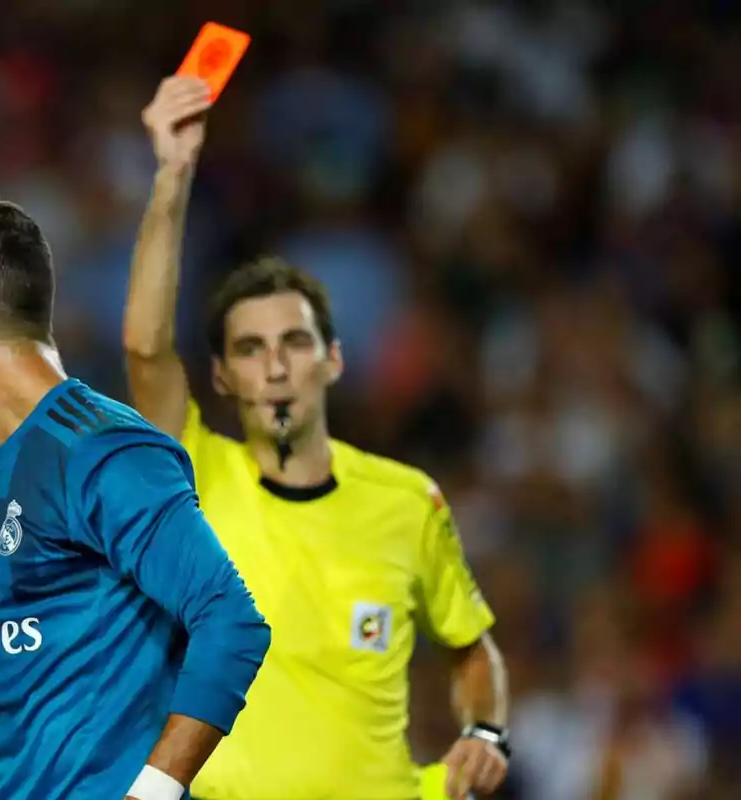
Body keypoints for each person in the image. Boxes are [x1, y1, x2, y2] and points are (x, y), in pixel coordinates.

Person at [123, 76, 511, 800]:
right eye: (249, 349)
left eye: (294, 342)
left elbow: (473, 649)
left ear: (333, 359)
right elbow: (146, 349)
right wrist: (173, 176)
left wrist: (483, 732)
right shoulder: (195, 478)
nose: (274, 364)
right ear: (223, 377)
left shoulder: (407, 501)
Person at [0, 200, 271, 800]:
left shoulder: (99, 449)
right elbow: (32, 702)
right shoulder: (1, 478)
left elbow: (231, 620)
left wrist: (153, 793)